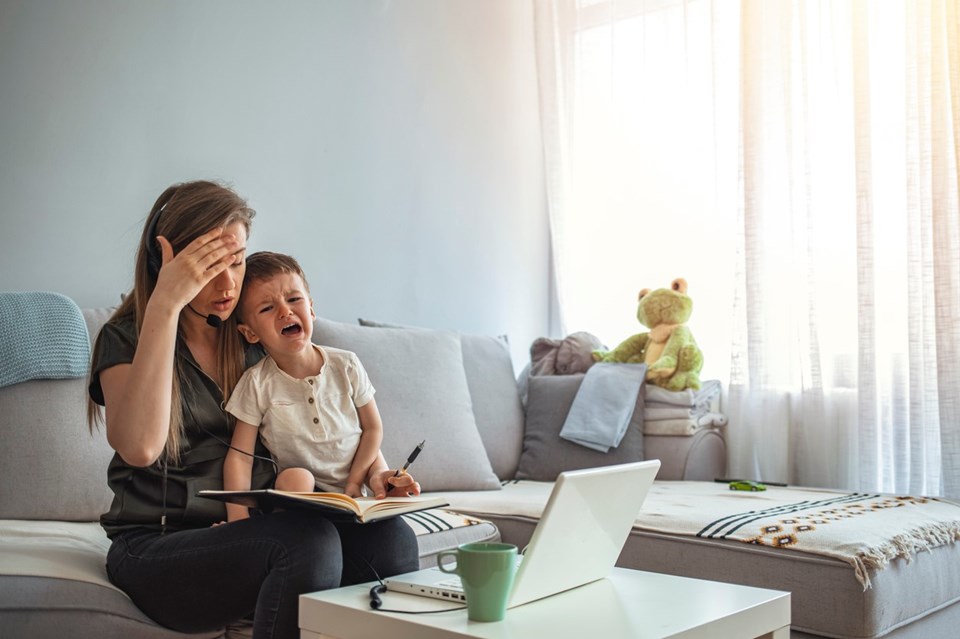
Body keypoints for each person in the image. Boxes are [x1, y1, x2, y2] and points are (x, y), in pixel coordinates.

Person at [87, 180, 420, 638]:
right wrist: (165, 303)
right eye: (208, 267)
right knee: (306, 544)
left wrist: (377, 474)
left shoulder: (253, 334)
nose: (227, 285)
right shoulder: (125, 338)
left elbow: (332, 422)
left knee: (392, 540)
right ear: (165, 265)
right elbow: (141, 447)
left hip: (255, 533)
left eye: (236, 261)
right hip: (159, 547)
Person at [223, 251, 385, 521]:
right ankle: (296, 530)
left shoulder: (346, 364)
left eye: (293, 299)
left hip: (353, 487)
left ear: (310, 308)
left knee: (384, 481)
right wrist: (237, 519)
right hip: (302, 495)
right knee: (297, 477)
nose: (285, 311)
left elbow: (373, 428)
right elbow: (240, 457)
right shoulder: (257, 382)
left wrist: (357, 482)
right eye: (267, 308)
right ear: (250, 333)